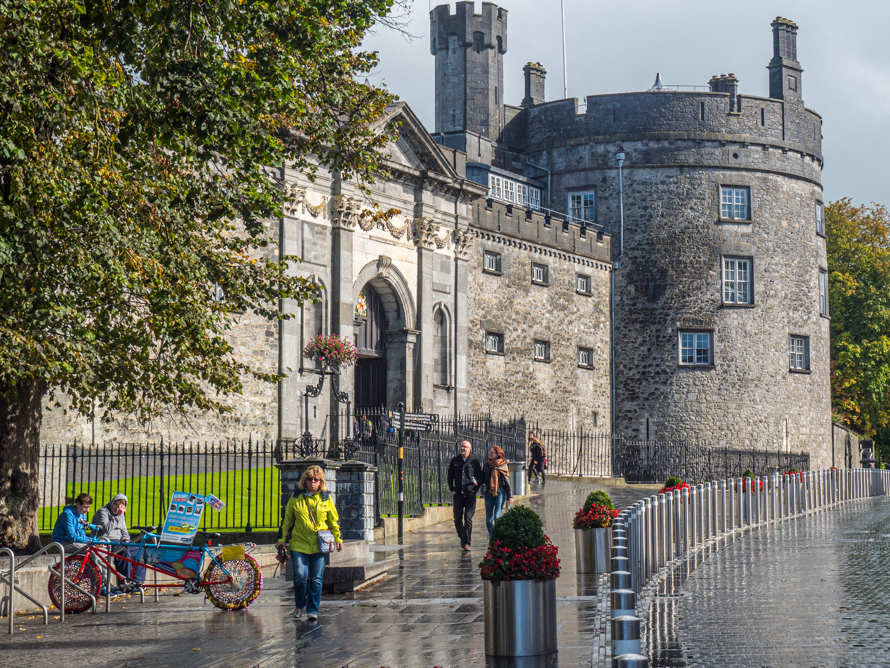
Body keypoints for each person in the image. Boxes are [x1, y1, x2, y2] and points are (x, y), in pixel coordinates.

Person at [276, 465, 343, 621]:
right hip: (299, 543)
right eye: (310, 479)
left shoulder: (326, 498)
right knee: (299, 575)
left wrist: (338, 538)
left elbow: (334, 521)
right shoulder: (296, 497)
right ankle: (300, 605)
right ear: (304, 481)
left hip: (319, 544)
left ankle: (312, 609)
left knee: (316, 578)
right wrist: (280, 540)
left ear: (320, 482)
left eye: (316, 479)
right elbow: (287, 521)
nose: (313, 482)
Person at [92, 493, 146, 593]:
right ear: (112, 503)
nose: (117, 508)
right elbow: (107, 528)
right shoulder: (103, 511)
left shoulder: (120, 515)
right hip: (107, 540)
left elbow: (124, 531)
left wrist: (126, 538)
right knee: (124, 552)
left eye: (120, 506)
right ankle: (125, 584)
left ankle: (138, 583)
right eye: (115, 505)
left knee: (140, 551)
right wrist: (119, 516)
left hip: (120, 541)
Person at [447, 440, 482, 551]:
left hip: (470, 494)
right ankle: (463, 537)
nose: (463, 448)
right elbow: (449, 477)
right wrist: (452, 489)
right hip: (458, 494)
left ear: (470, 449)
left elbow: (480, 477)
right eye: (462, 446)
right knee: (457, 518)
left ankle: (466, 542)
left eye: (465, 447)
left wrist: (475, 489)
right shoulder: (454, 461)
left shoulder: (474, 461)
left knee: (468, 519)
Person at [482, 445, 513, 534]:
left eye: (492, 452)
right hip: (488, 492)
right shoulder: (486, 465)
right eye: (490, 452)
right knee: (489, 518)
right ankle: (492, 536)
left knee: (497, 516)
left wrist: (510, 496)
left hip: (500, 492)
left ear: (497, 454)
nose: (490, 454)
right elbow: (482, 478)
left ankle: (497, 535)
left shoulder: (502, 465)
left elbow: (507, 482)